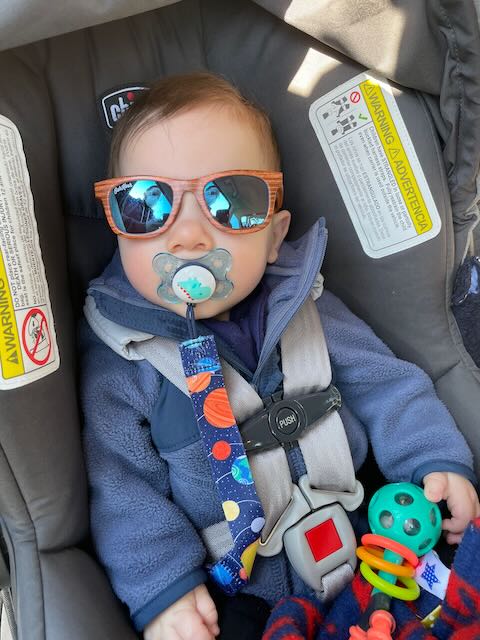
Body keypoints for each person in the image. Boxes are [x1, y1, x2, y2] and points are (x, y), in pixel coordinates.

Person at [80, 72, 480, 640]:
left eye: (231, 201)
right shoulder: (126, 357)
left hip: (372, 542)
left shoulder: (309, 308)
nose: (188, 236)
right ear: (117, 229)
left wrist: (433, 459)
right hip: (240, 591)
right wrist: (164, 589)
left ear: (273, 235)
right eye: (145, 204)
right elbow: (121, 486)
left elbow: (387, 385)